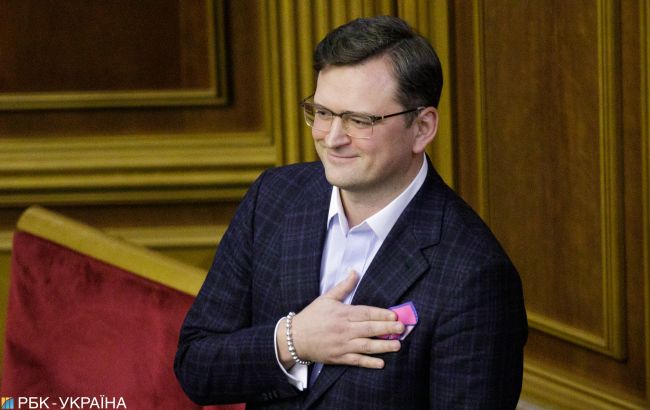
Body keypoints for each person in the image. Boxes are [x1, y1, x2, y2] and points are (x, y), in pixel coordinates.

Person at [174, 15, 527, 409]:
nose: (332, 138)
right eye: (323, 113)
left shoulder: (476, 275)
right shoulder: (273, 198)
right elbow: (196, 365)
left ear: (422, 128)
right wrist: (293, 340)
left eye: (359, 120)